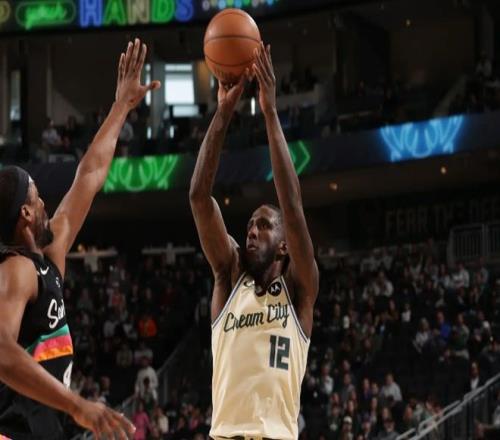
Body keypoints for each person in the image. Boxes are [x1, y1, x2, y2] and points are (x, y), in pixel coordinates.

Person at [0, 38, 160, 439]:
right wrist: (78, 405)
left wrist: (121, 106)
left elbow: (89, 174)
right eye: (37, 197)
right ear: (24, 214)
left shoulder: (48, 256)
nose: (45, 203)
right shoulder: (16, 270)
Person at [190, 42, 319, 439]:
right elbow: (199, 197)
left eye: (264, 226)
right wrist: (223, 113)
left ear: (284, 245)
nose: (251, 231)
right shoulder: (229, 276)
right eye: (249, 225)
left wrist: (270, 112)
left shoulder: (299, 290)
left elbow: (292, 207)